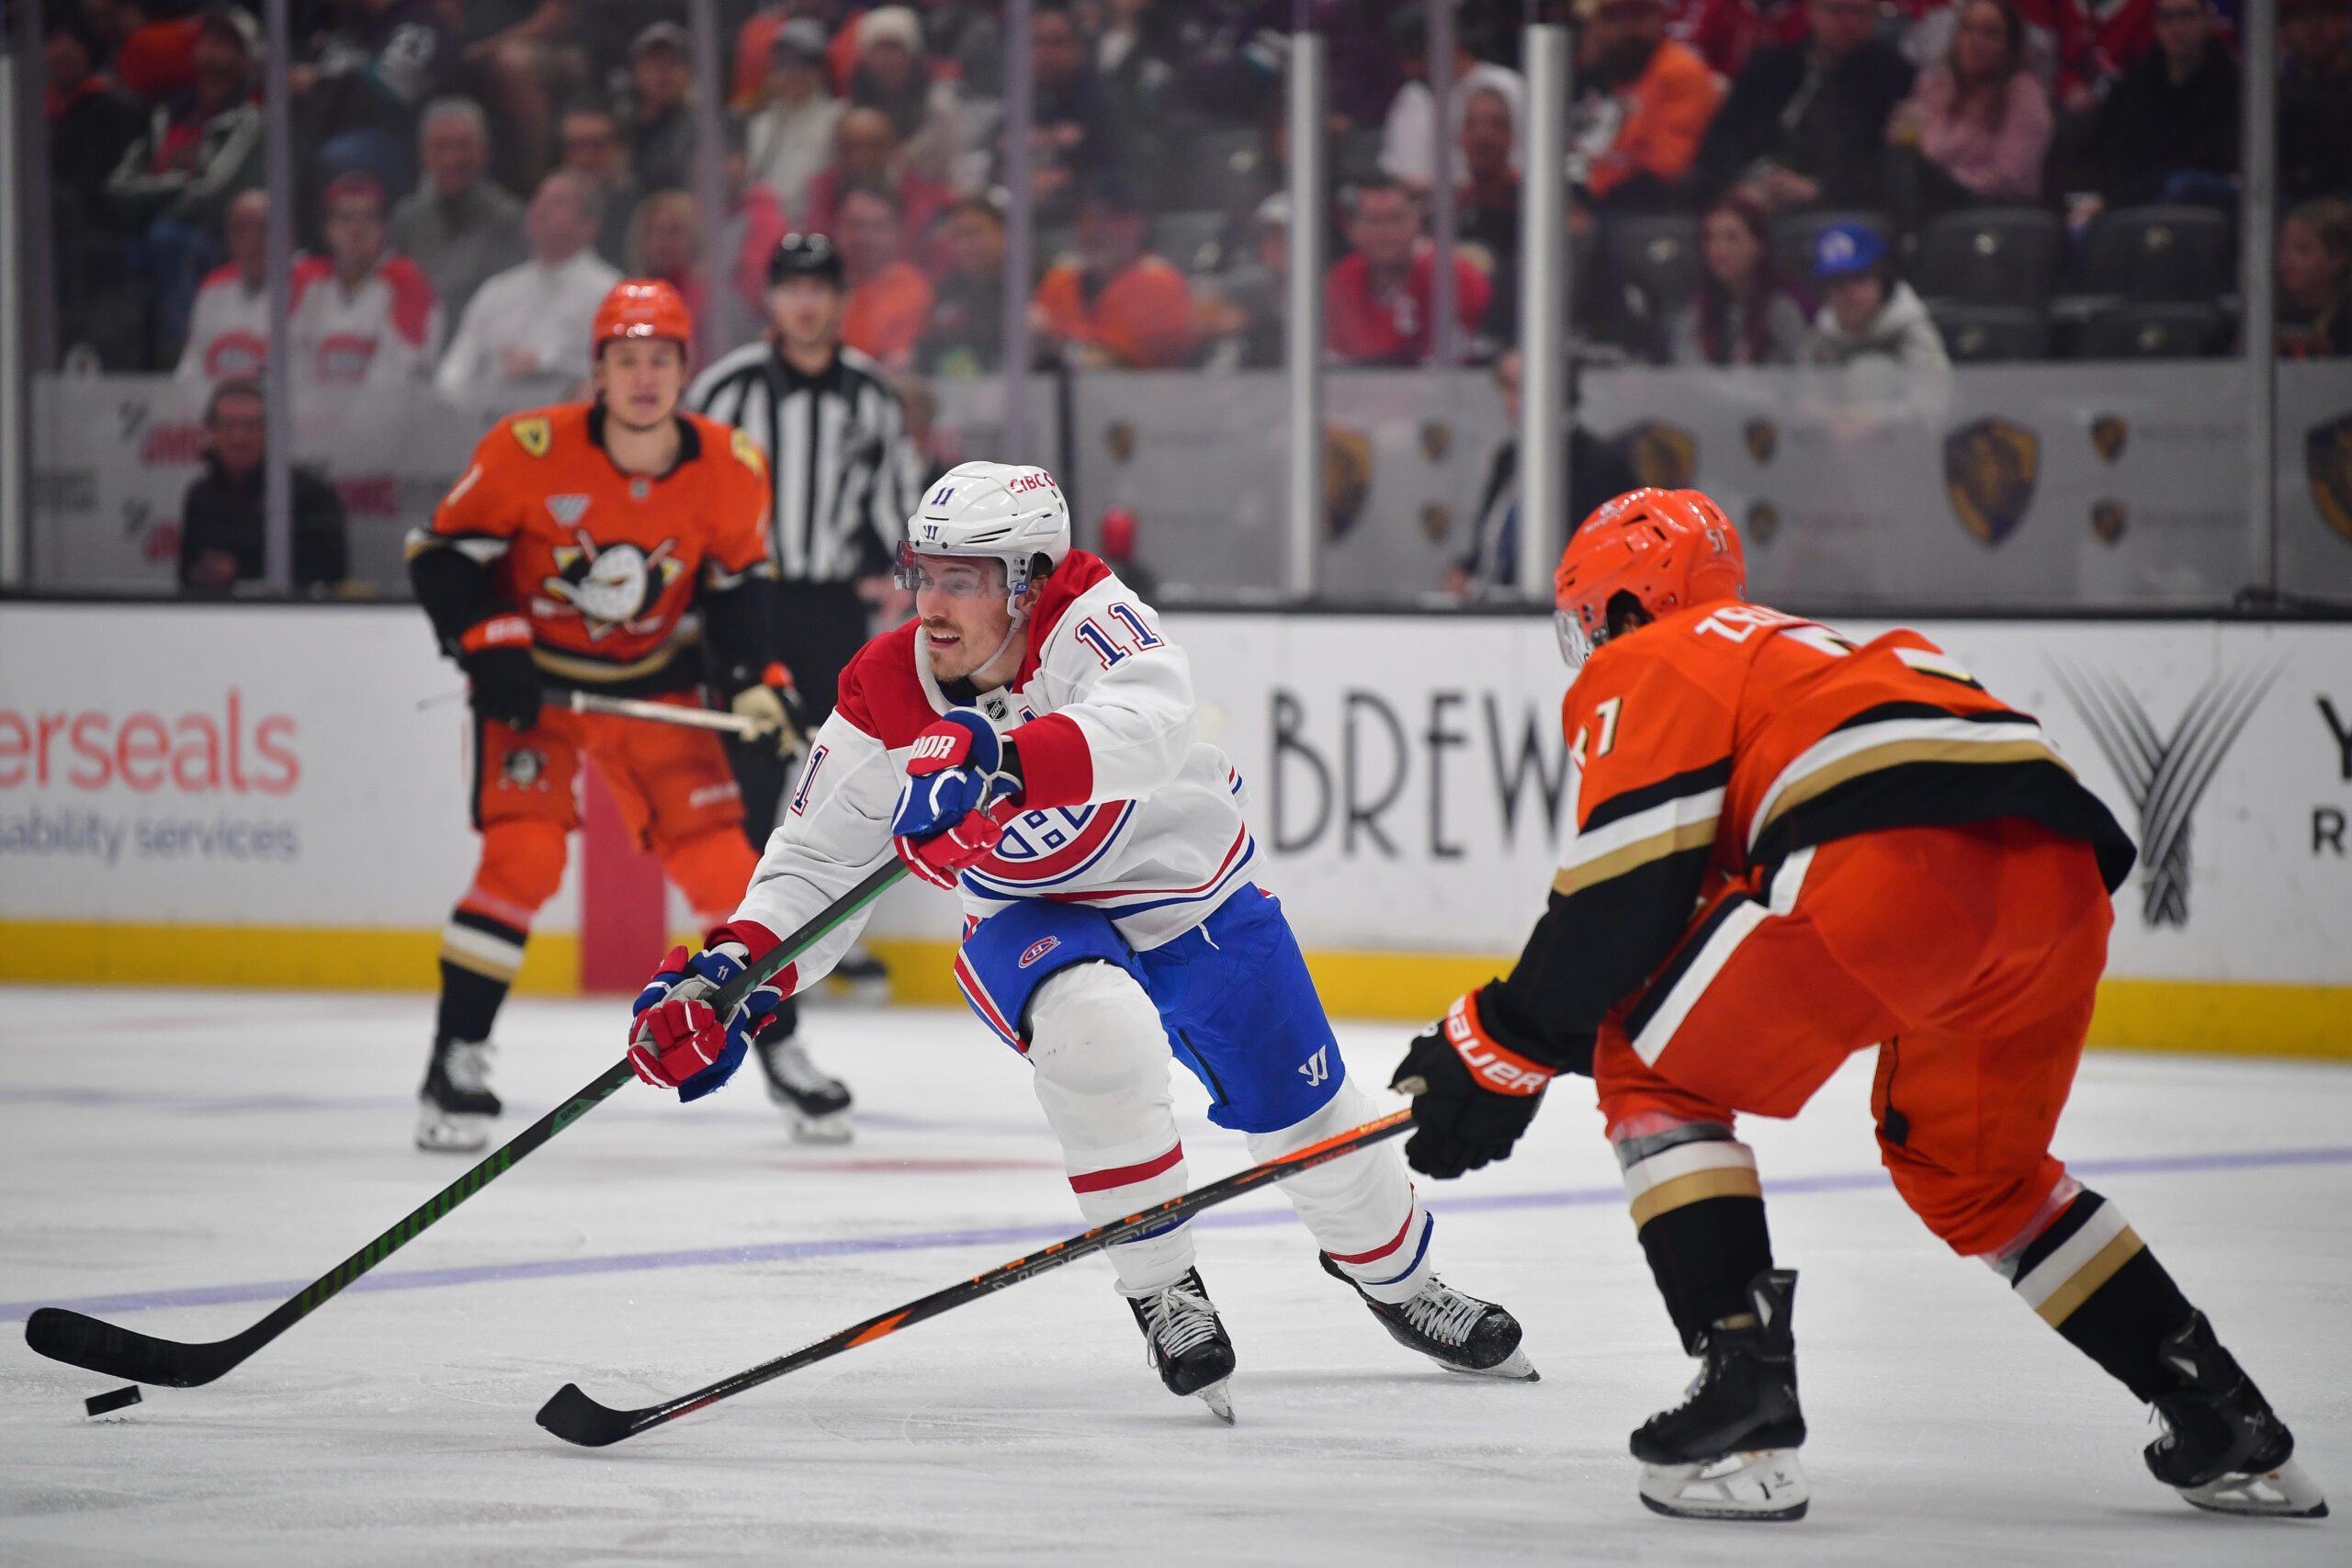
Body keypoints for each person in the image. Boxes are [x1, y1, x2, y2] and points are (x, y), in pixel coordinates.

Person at [1385, 487, 2324, 1522]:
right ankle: (2218, 1414)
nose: (1589, 644)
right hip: (2057, 879)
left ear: (1622, 604)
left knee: (1651, 1060)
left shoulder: (1656, 655)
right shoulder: (1809, 652)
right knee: (1978, 1179)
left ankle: (1745, 1399)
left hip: (1892, 855)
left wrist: (1493, 1046)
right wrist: (1509, 1046)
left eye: (1588, 620)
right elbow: (1671, 906)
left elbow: (1620, 902)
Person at [626, 461, 1541, 1421]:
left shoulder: (1088, 614)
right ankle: (1162, 1286)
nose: (930, 605)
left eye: (964, 579)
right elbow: (816, 863)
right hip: (1031, 915)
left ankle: (1399, 1281)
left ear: (1027, 579)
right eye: (922, 573)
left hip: (1188, 890)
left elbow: (1149, 723)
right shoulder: (883, 688)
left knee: (1306, 1112)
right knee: (1098, 1036)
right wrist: (732, 977)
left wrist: (1003, 762)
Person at [405, 279, 798, 1153]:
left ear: (685, 369)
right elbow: (439, 554)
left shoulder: (731, 464)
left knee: (728, 872)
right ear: (598, 370)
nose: (645, 377)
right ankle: (456, 1057)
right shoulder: (527, 449)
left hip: (653, 689)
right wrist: (491, 637)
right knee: (522, 858)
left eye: (660, 359)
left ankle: (787, 1053)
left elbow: (739, 590)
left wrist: (753, 679)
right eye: (626, 360)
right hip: (535, 693)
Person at [688, 232, 921, 1032]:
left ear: (840, 298)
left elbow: (901, 510)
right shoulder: (726, 391)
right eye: (792, 285)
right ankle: (751, 941)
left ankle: (830, 932)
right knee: (755, 774)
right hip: (748, 604)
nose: (807, 301)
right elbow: (690, 503)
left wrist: (919, 594)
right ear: (772, 298)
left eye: (820, 285)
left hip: (829, 607)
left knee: (849, 771)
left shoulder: (871, 396)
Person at [103, 4, 266, 362]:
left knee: (167, 240)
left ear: (246, 62)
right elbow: (117, 187)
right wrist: (177, 182)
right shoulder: (164, 115)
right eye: (208, 40)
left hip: (211, 244)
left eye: (228, 43)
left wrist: (154, 195)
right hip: (147, 235)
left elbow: (211, 192)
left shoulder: (251, 123)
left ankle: (177, 364)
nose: (213, 52)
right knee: (118, 251)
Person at [1445, 350, 1641, 599]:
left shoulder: (1602, 466)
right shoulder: (1508, 457)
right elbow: (1488, 551)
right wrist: (1464, 573)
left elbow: (1615, 560)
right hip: (1489, 615)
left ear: (1549, 387)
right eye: (1504, 386)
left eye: (1514, 387)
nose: (1506, 400)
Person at [1695, 0, 1917, 211]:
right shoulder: (1769, 66)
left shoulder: (1895, 78)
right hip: (1752, 192)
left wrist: (1820, 190)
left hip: (1838, 202)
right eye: (1836, 10)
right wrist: (1739, 182)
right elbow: (1721, 139)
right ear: (1811, 11)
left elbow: (1887, 164)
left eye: (1860, 12)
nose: (1848, 22)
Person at [435, 172, 624, 412]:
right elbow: (457, 365)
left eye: (558, 203)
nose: (541, 210)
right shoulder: (498, 290)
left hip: (567, 423)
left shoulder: (611, 294)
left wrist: (545, 361)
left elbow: (618, 372)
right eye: (538, 200)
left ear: (588, 225)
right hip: (486, 424)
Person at [1886, 0, 2052, 228]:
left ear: (2008, 43)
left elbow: (2008, 179)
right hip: (1934, 210)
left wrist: (1943, 180)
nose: (1975, 41)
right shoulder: (1935, 85)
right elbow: (1915, 147)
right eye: (1966, 28)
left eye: (1989, 32)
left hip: (1995, 214)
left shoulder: (2023, 93)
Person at [177, 379, 348, 594]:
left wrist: (240, 571)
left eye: (252, 426)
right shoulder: (200, 497)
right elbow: (186, 577)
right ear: (210, 431)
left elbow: (331, 571)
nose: (239, 438)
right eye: (228, 425)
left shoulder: (311, 495)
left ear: (271, 432)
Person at [1566, 0, 1722, 214]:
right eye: (1614, 18)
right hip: (1591, 207)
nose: (1629, 29)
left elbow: (1666, 170)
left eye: (1640, 15)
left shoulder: (1680, 72)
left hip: (1650, 213)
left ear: (1660, 17)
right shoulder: (1596, 76)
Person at [2082, 0, 2239, 212]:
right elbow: (2115, 157)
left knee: (2182, 186)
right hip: (2139, 204)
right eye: (2167, 18)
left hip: (2209, 206)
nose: (2176, 27)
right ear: (2156, 25)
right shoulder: (2134, 86)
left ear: (2206, 20)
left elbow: (2222, 159)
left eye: (2186, 16)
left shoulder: (2234, 86)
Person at [288, 173, 442, 389]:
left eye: (368, 218)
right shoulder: (307, 280)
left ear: (383, 228)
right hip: (314, 417)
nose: (356, 229)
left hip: (381, 418)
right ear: (328, 228)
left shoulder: (407, 282)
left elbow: (405, 368)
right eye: (345, 218)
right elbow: (289, 360)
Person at [1031, 178, 1200, 370]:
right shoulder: (1059, 279)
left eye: (1107, 218)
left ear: (1137, 224)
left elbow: (1118, 365)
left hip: (1140, 397)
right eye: (1086, 217)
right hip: (1061, 395)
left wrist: (1053, 344)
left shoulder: (1161, 283)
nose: (1093, 229)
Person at [390, 98, 529, 326]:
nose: (453, 158)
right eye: (442, 146)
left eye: (464, 145)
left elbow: (511, 306)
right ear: (425, 155)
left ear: (484, 152)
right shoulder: (406, 218)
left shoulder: (510, 220)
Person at [1325, 178, 1490, 366]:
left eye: (1397, 218)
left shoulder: (1453, 275)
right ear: (1351, 228)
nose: (1387, 231)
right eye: (1374, 220)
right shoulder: (1342, 278)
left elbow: (1453, 364)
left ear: (1417, 221)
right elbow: (1334, 360)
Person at [1381, 12, 1524, 197]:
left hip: (1502, 205)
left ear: (1451, 48)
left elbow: (1526, 169)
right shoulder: (1412, 96)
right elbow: (1398, 173)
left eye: (1417, 58)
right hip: (1426, 212)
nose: (1409, 69)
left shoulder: (1510, 88)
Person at [1667, 189, 1810, 366]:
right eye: (1710, 238)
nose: (1719, 251)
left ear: (1760, 245)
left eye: (1732, 238)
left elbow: (1803, 378)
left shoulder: (1783, 312)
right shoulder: (1694, 317)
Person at [1802, 220, 1950, 368]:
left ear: (1883, 281)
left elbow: (1934, 389)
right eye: (1838, 284)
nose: (1850, 293)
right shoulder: (1822, 335)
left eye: (1859, 278)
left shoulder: (1912, 328)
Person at [745, 18, 845, 220]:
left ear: (820, 69)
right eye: (784, 63)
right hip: (762, 229)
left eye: (803, 63)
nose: (793, 72)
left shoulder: (837, 118)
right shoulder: (760, 124)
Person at [835, 187, 936, 370]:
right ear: (837, 227)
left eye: (878, 226)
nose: (864, 237)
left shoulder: (910, 289)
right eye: (854, 224)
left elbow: (896, 362)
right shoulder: (819, 286)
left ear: (898, 231)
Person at [178, 190, 272, 382]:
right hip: (220, 409)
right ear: (228, 236)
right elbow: (191, 367)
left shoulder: (310, 286)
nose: (251, 242)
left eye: (263, 229)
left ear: (288, 232)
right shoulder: (214, 287)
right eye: (240, 230)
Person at [919, 197, 1010, 375]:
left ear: (1003, 234)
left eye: (974, 233)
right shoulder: (943, 294)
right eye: (958, 236)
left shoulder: (1029, 285)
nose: (966, 245)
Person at [559, 104, 639, 269]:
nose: (585, 157)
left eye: (597, 145)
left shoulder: (640, 213)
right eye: (575, 147)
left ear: (620, 150)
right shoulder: (549, 214)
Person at [626, 23, 697, 197]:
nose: (664, 71)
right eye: (655, 62)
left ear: (689, 73)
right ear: (637, 73)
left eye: (673, 62)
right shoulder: (621, 131)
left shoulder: (700, 130)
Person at [2278, 198, 2352, 360]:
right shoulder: (2274, 319)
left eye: (2302, 249)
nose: (2287, 260)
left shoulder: (2345, 327)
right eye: (2283, 248)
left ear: (2337, 259)